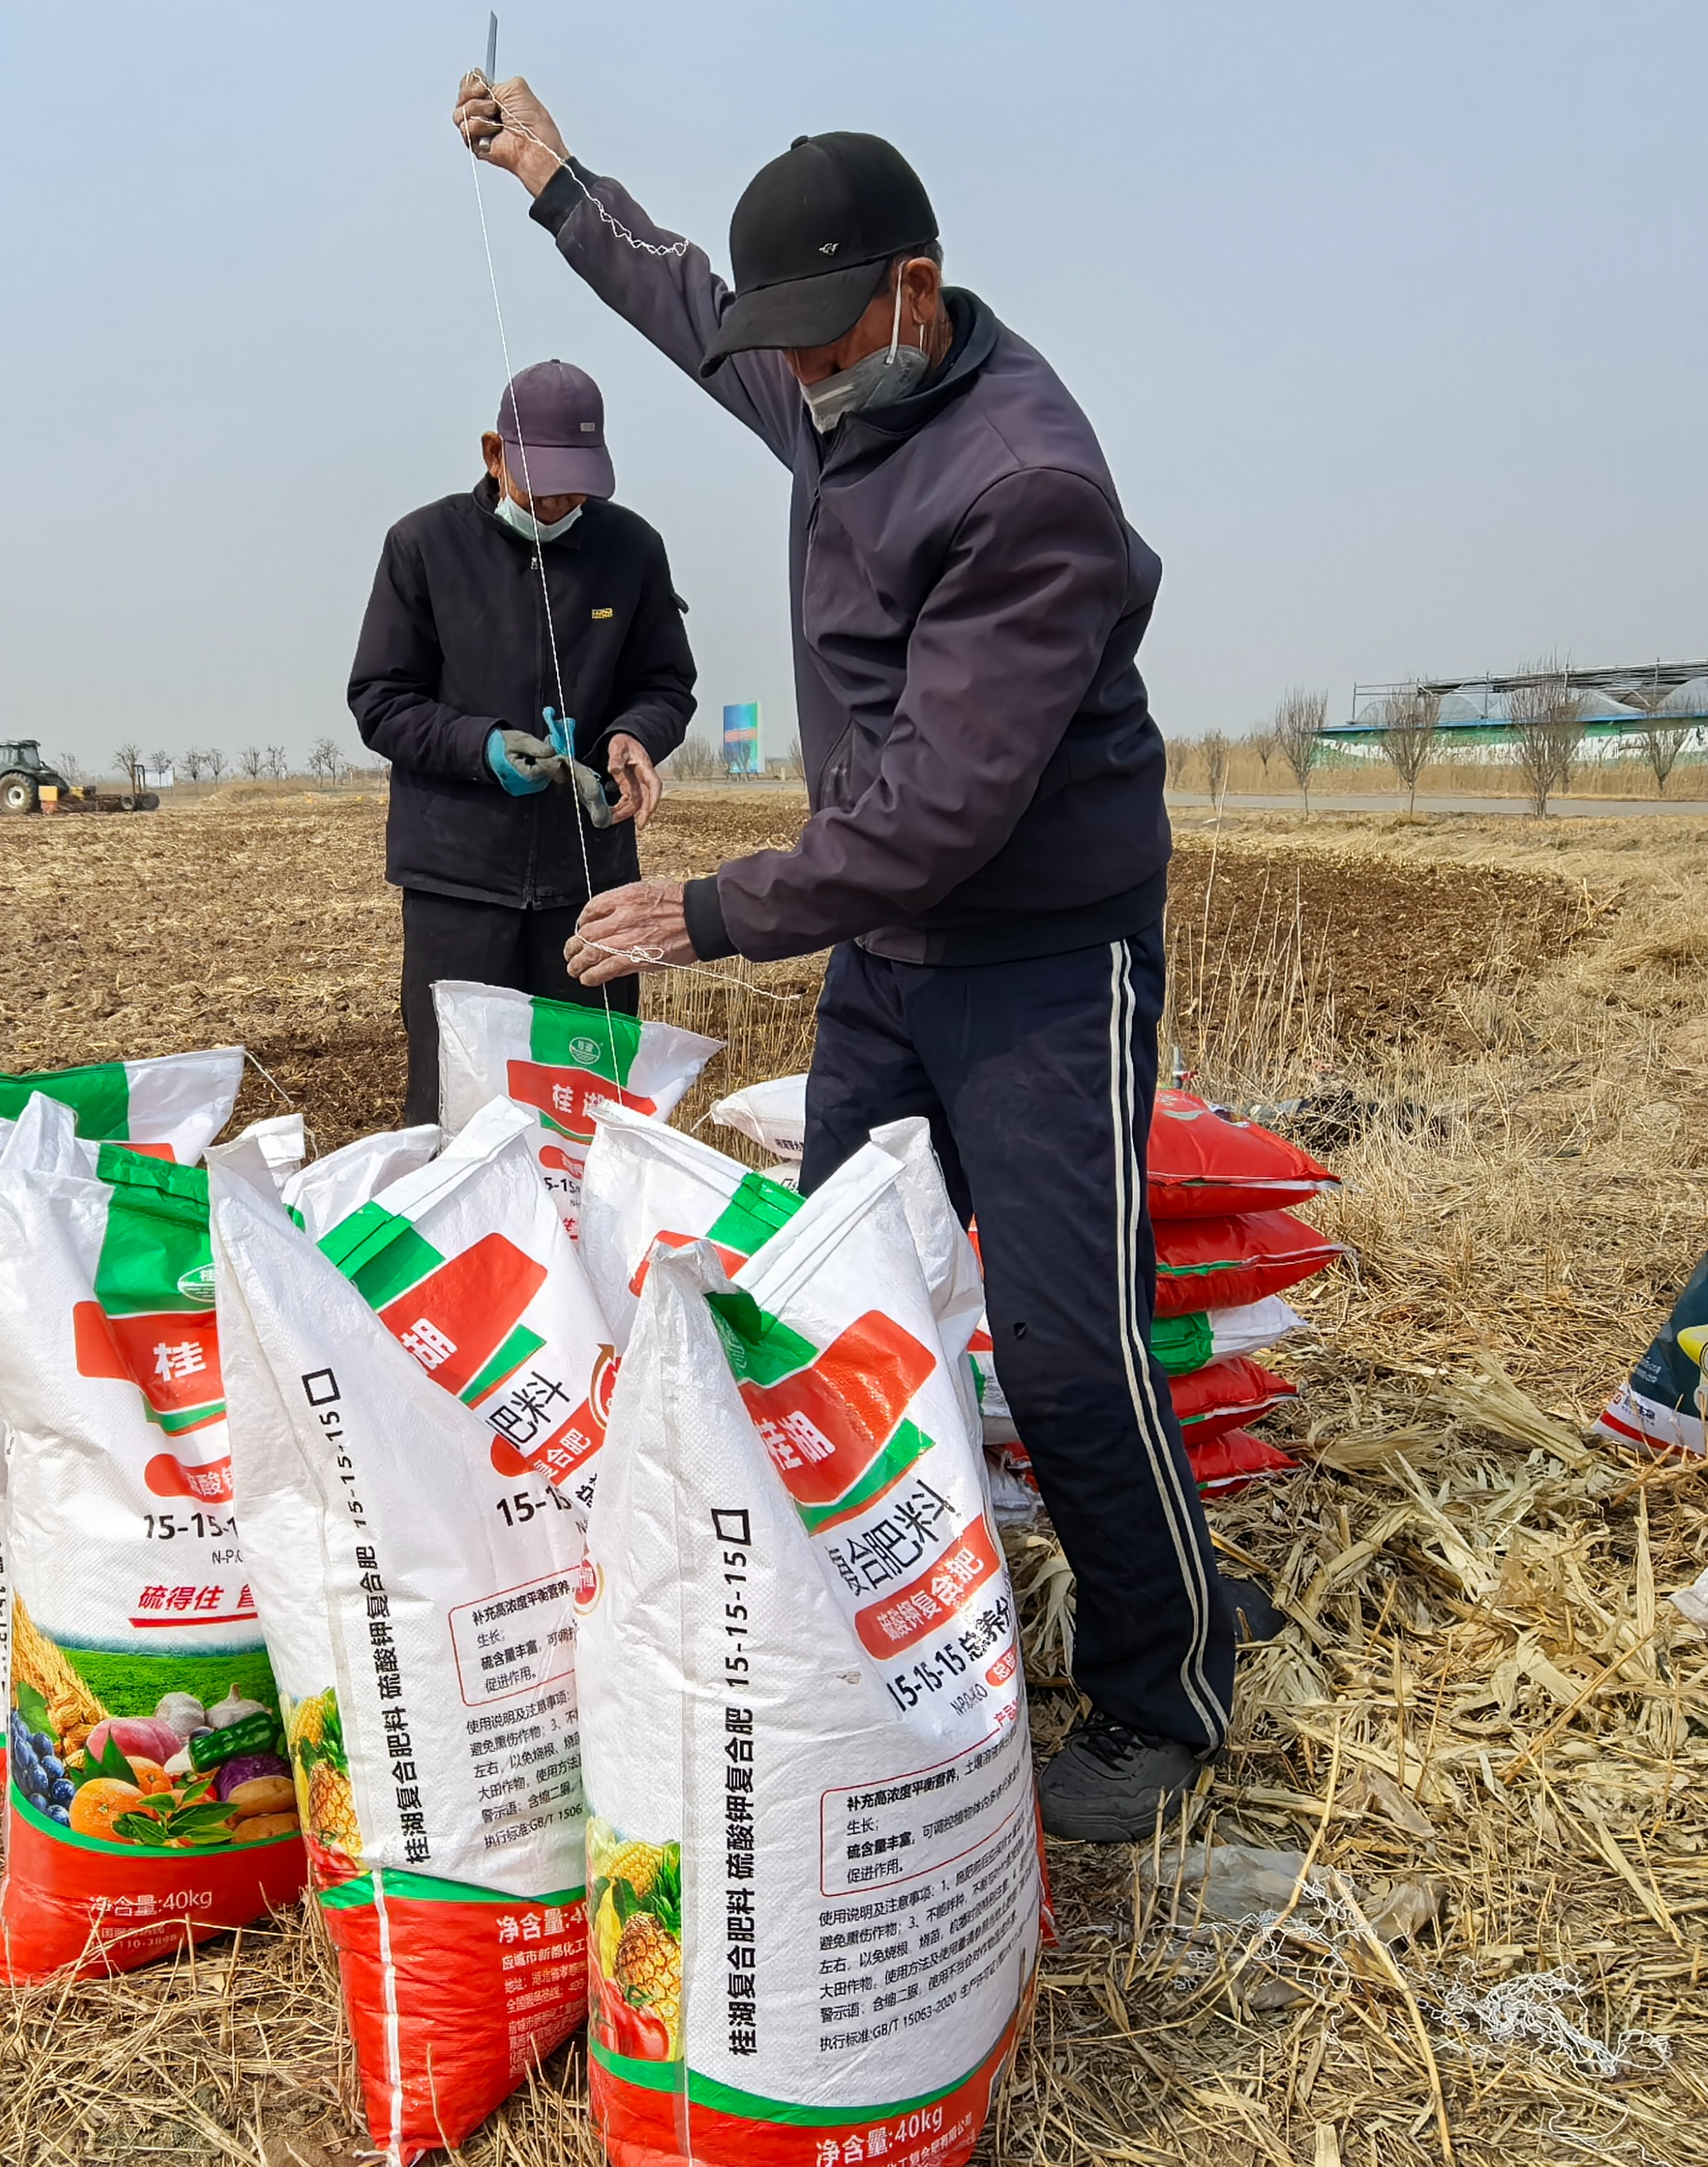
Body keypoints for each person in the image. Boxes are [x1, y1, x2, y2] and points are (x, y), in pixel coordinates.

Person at [456, 78, 1278, 1841]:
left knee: (1063, 1346)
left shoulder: (1021, 483)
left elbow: (940, 813)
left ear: (913, 290)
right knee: (831, 1291)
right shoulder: (839, 375)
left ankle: (1168, 1682)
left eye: (824, 350)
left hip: (1039, 956)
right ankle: (875, 1625)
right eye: (791, 358)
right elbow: (686, 304)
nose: (802, 383)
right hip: (889, 955)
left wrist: (710, 908)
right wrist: (554, 179)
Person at [349, 359, 697, 1125]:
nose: (563, 502)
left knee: (588, 1104)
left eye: (579, 486)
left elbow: (666, 683)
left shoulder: (631, 549)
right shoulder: (423, 546)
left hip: (588, 882)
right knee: (457, 1103)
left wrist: (635, 735)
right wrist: (479, 747)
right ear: (493, 454)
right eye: (546, 484)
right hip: (459, 886)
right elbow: (380, 699)